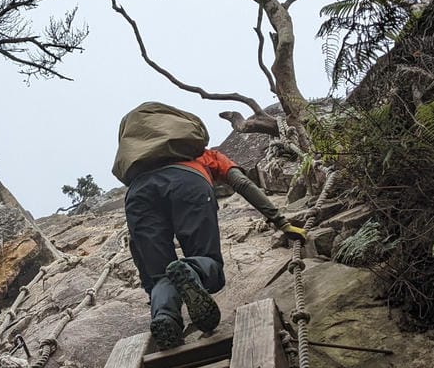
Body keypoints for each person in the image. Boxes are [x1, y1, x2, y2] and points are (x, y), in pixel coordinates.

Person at [113, 102, 307, 349]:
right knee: (209, 266)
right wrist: (281, 222)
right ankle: (191, 269)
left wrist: (152, 287)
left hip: (139, 194)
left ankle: (165, 319)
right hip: (188, 183)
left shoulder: (139, 171)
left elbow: (136, 245)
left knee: (161, 275)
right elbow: (243, 184)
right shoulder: (205, 154)